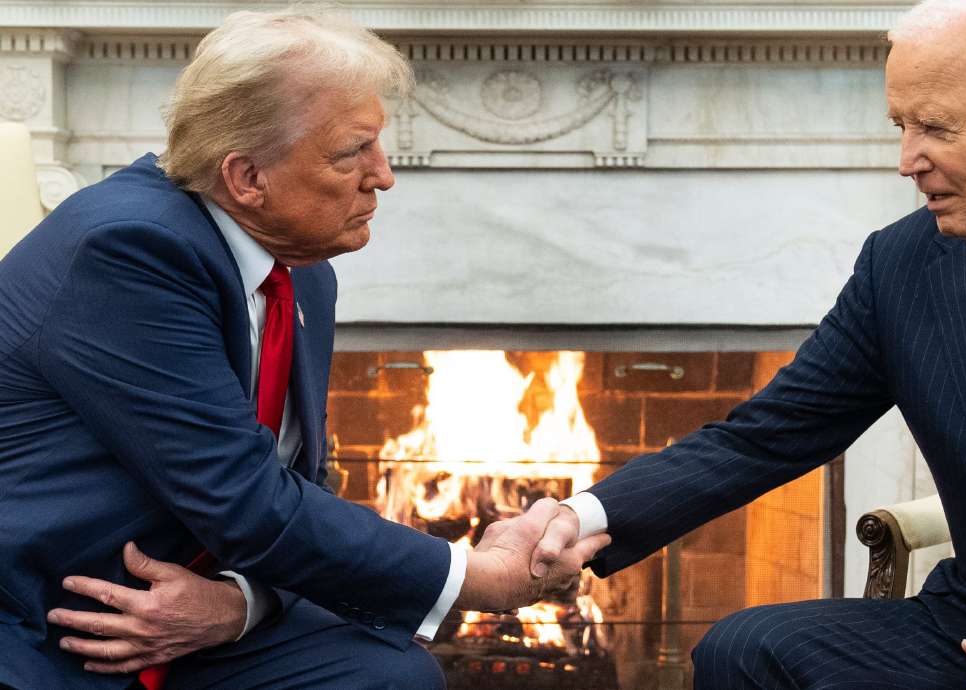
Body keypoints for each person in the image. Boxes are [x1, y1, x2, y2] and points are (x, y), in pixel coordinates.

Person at [534, 1, 966, 688]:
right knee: (743, 650)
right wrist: (578, 518)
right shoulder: (901, 266)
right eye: (902, 125)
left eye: (936, 128)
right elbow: (764, 436)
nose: (906, 162)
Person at [0, 8, 607, 689]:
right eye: (352, 152)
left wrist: (240, 605)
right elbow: (246, 499)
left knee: (390, 676)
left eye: (377, 144)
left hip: (191, 608)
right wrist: (481, 577)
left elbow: (299, 484)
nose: (383, 175)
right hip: (54, 621)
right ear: (247, 178)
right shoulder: (128, 251)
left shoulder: (301, 271)